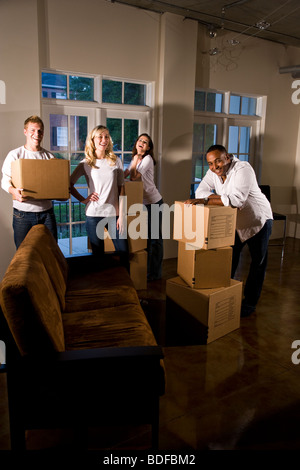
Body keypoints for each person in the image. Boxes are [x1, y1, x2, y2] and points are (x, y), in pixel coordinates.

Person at [185, 144, 273, 317]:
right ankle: (223, 296)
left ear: (227, 157)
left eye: (218, 161)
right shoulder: (213, 172)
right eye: (210, 163)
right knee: (228, 260)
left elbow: (237, 201)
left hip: (259, 221)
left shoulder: (243, 169)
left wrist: (206, 200)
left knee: (258, 264)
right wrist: (218, 199)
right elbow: (200, 191)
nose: (214, 166)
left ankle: (249, 303)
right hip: (237, 223)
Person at [70, 125, 128, 269]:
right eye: (100, 136)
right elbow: (68, 184)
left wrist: (121, 216)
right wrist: (84, 199)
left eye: (106, 136)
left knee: (124, 253)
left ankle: (126, 287)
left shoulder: (116, 161)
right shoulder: (86, 163)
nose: (104, 140)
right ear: (93, 140)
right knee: (98, 257)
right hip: (93, 215)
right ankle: (105, 288)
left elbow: (122, 189)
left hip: (113, 215)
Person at [1, 115, 58, 248]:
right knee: (24, 254)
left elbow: (55, 183)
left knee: (51, 253)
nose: (36, 134)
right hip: (22, 215)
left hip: (47, 213)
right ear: (25, 131)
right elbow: (4, 180)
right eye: (32, 130)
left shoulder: (50, 157)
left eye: (40, 131)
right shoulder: (15, 155)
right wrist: (13, 191)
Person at [124, 133, 163, 280]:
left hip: (154, 202)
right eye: (140, 140)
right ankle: (145, 271)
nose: (142, 143)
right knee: (146, 240)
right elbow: (125, 175)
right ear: (136, 143)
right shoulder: (135, 160)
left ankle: (155, 274)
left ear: (148, 148)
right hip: (143, 204)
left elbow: (133, 177)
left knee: (156, 240)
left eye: (145, 142)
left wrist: (134, 161)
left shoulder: (147, 160)